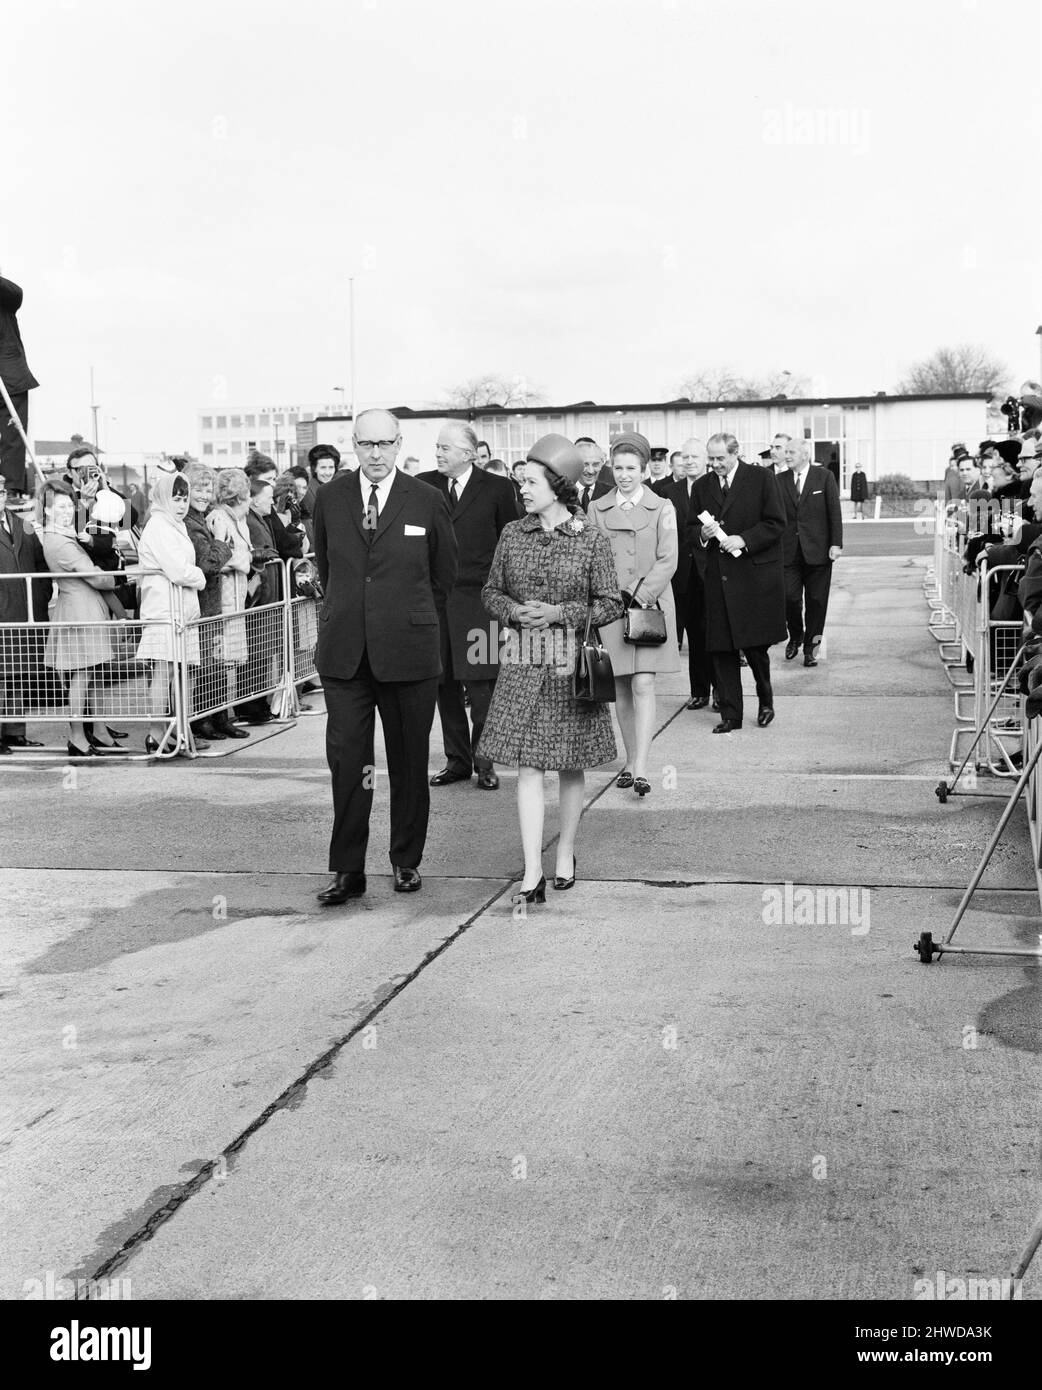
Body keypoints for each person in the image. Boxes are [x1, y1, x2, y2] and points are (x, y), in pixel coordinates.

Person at [312, 407, 458, 905]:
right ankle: (347, 869)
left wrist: (406, 618)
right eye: (366, 444)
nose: (375, 454)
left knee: (408, 761)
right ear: (353, 445)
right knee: (349, 762)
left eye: (384, 444)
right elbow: (329, 568)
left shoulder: (427, 500)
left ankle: (405, 861)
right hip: (346, 655)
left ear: (399, 444)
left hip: (409, 654)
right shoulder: (330, 498)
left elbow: (443, 577)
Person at [477, 434, 623, 902]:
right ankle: (532, 869)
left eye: (530, 482)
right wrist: (514, 613)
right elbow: (491, 591)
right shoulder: (512, 534)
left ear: (557, 486)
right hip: (522, 664)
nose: (522, 489)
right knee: (528, 766)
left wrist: (560, 614)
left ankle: (566, 852)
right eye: (520, 481)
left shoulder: (591, 539)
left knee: (570, 766)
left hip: (569, 666)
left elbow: (610, 604)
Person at [418, 422, 519, 793]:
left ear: (468, 453)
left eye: (446, 448)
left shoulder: (497, 488)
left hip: (481, 603)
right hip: (435, 603)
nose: (439, 453)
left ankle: (485, 761)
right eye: (437, 447)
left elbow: (510, 544)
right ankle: (456, 761)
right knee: (443, 683)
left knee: (482, 687)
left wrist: (510, 603)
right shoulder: (424, 483)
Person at [588, 432, 678, 796]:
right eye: (619, 467)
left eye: (631, 468)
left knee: (643, 682)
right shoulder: (597, 508)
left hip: (648, 607)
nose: (624, 475)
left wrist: (639, 594)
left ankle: (641, 767)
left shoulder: (663, 507)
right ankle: (630, 760)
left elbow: (668, 558)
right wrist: (608, 595)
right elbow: (591, 557)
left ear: (643, 470)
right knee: (622, 686)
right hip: (611, 608)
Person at [688, 432, 786, 732]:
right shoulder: (703, 486)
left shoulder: (760, 479)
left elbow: (776, 523)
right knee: (721, 649)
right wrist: (702, 536)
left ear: (735, 453)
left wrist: (744, 539)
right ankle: (731, 715)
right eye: (712, 459)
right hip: (718, 579)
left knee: (755, 649)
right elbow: (691, 527)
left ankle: (765, 699)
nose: (716, 464)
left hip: (753, 578)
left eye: (721, 458)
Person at [39, 481, 121, 757]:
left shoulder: (65, 534)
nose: (67, 511)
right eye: (60, 506)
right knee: (83, 675)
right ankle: (77, 736)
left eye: (69, 505)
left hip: (85, 607)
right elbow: (96, 577)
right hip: (79, 610)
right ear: (47, 510)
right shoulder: (59, 541)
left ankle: (98, 731)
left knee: (93, 674)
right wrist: (118, 577)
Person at [136, 472, 207, 754]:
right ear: (164, 498)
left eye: (184, 499)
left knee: (181, 673)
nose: (181, 505)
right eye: (176, 499)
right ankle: (156, 732)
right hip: (165, 609)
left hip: (181, 610)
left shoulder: (174, 525)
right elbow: (179, 570)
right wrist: (199, 576)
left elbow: (180, 569)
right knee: (164, 673)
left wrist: (192, 575)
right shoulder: (159, 526)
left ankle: (178, 729)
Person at [657, 439, 713, 709]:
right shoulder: (669, 492)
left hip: (714, 571)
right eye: (686, 456)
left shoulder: (717, 487)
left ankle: (724, 693)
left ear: (706, 459)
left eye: (695, 456)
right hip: (682, 574)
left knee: (714, 635)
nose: (690, 461)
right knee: (693, 634)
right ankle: (700, 691)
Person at [183, 463, 235, 742]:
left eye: (207, 489)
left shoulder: (201, 520)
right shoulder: (193, 525)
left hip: (210, 603)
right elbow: (209, 563)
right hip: (201, 604)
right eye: (198, 489)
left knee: (214, 661)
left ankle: (217, 717)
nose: (203, 495)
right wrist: (220, 541)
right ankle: (204, 719)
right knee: (206, 663)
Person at [780, 442, 843, 667]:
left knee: (817, 602)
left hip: (818, 551)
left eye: (791, 452)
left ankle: (812, 648)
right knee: (789, 598)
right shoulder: (779, 480)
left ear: (805, 455)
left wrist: (836, 543)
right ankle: (796, 635)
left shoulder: (824, 477)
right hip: (788, 553)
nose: (786, 456)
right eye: (785, 452)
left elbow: (834, 511)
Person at [0, 477, 48, 751]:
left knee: (19, 674)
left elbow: (40, 562)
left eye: (2, 491)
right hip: (4, 611)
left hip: (26, 611)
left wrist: (42, 594)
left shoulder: (23, 525)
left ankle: (15, 732)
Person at [206, 468, 253, 740]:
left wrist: (242, 558)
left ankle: (222, 715)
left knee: (227, 661)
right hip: (223, 598)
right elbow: (226, 556)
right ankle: (212, 717)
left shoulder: (238, 520)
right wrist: (243, 559)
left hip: (236, 597)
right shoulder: (218, 518)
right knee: (218, 659)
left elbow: (240, 553)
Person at [0, 272, 39, 498]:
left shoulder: (6, 299)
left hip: (10, 379)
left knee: (13, 436)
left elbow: (17, 293)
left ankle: (12, 489)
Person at [575, 438, 613, 511]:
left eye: (595, 464)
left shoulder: (612, 493)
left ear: (602, 464)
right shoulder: (560, 494)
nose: (590, 471)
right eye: (585, 465)